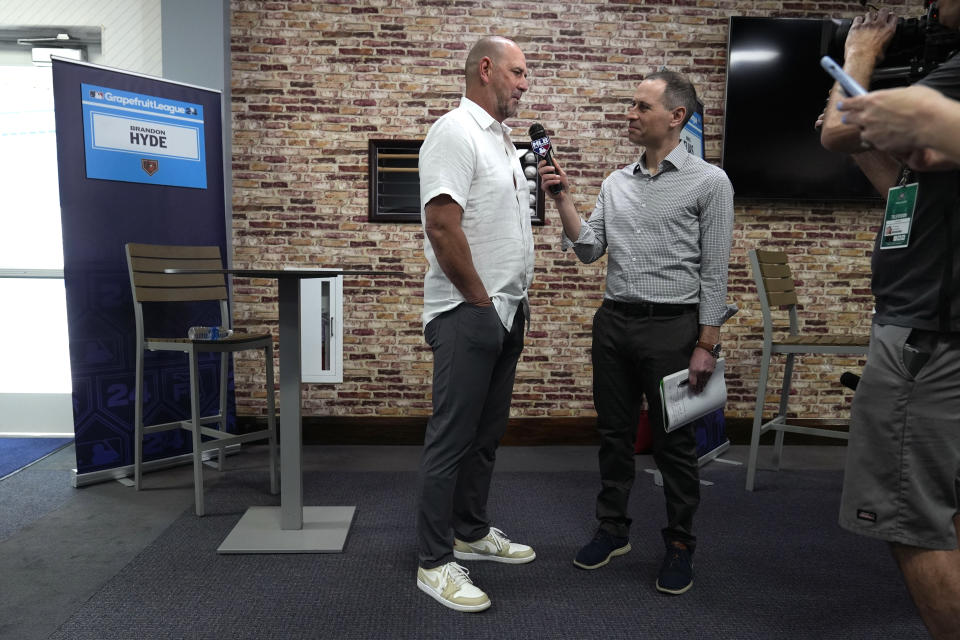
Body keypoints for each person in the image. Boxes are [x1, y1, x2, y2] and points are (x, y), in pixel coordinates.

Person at [538, 70, 734, 595]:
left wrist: (706, 344)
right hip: (614, 323)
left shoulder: (710, 183)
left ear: (676, 117)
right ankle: (613, 529)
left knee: (674, 445)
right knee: (614, 436)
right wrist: (563, 201)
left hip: (674, 327)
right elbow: (589, 250)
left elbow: (715, 270)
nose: (630, 113)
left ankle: (679, 544)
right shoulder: (615, 182)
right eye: (631, 105)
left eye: (642, 107)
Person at [820, 5, 960, 638]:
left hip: (928, 332)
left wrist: (861, 53)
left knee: (908, 515)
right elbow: (909, 185)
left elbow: (836, 129)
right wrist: (880, 152)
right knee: (945, 507)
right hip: (931, 320)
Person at [414, 35, 536, 613]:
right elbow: (442, 224)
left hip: (505, 310)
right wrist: (479, 301)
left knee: (484, 439)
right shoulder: (454, 131)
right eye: (517, 72)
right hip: (470, 311)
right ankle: (435, 563)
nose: (524, 82)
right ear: (485, 70)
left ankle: (471, 530)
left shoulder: (503, 141)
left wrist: (502, 305)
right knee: (452, 438)